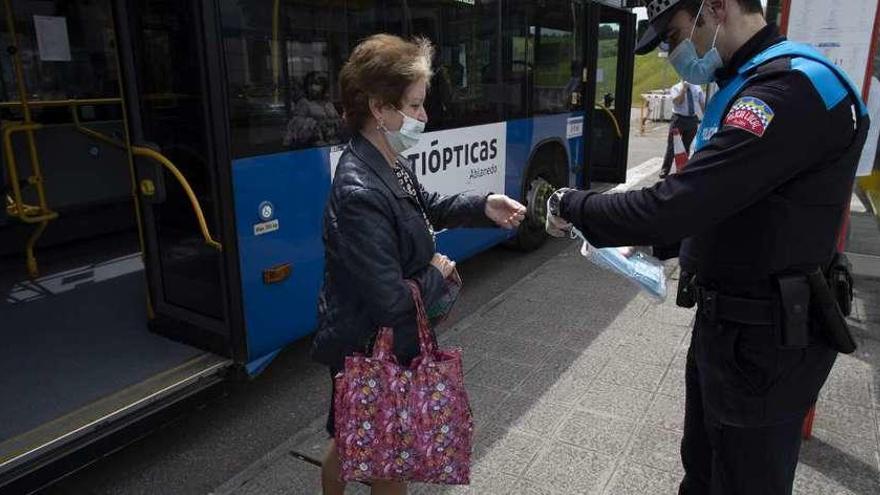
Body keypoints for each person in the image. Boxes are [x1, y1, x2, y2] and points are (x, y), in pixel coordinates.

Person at [546, 0, 868, 493]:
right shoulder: (746, 85)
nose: (676, 52)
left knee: (742, 479)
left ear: (714, 9)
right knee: (702, 469)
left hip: (765, 341)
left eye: (675, 36)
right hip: (731, 330)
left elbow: (678, 203)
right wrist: (659, 245)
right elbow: (732, 204)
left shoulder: (790, 90)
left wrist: (571, 204)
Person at [311, 34, 526, 495]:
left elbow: (427, 205)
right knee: (389, 456)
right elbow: (390, 299)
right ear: (378, 107)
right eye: (414, 105)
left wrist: (483, 204)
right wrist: (438, 272)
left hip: (374, 337)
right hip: (367, 341)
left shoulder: (389, 161)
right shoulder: (360, 190)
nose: (424, 117)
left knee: (352, 436)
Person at [283, 71, 343, 148]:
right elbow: (296, 125)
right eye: (310, 84)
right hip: (313, 147)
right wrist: (315, 125)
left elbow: (338, 122)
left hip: (333, 145)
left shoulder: (328, 104)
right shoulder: (304, 103)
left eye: (316, 84)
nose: (312, 87)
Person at [660, 80, 706, 177]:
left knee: (686, 146)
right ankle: (665, 169)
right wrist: (683, 90)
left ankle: (683, 169)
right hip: (678, 119)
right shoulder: (676, 88)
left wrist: (706, 116)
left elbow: (702, 103)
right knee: (672, 146)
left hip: (692, 119)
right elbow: (677, 102)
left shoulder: (697, 87)